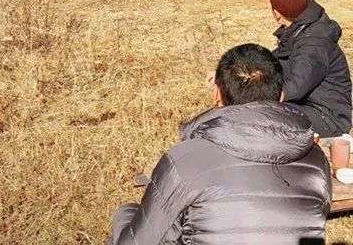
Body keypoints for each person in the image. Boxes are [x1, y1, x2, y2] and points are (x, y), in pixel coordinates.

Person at [108, 43, 331, 245]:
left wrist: (124, 215)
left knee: (128, 216)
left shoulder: (184, 159)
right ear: (281, 95)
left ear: (217, 94)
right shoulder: (316, 157)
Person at [271, 0, 352, 137]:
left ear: (277, 14)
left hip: (328, 117)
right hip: (309, 105)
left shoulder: (314, 43)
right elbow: (275, 63)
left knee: (265, 115)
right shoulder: (300, 30)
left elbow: (294, 87)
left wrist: (251, 95)